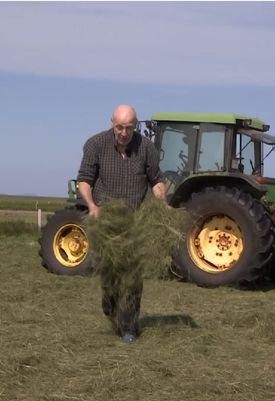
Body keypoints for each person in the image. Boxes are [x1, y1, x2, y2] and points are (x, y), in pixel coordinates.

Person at [76, 104, 167, 344]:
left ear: (135, 126)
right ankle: (110, 304)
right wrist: (92, 206)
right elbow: (84, 181)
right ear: (111, 124)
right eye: (119, 128)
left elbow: (156, 180)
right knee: (110, 275)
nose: (124, 133)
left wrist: (162, 202)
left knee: (133, 276)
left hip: (135, 220)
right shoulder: (95, 145)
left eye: (129, 128)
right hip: (105, 221)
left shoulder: (146, 148)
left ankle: (129, 327)